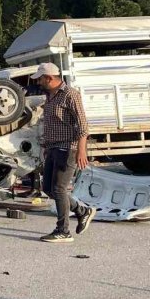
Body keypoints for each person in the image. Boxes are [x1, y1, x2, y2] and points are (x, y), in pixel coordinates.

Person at [32, 63, 97, 243]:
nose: (38, 82)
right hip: (52, 148)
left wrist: (81, 151)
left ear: (49, 78)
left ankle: (63, 231)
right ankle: (83, 211)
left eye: (40, 78)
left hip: (67, 148)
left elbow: (83, 126)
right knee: (48, 189)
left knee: (59, 189)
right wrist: (46, 147)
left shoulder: (70, 94)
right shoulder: (49, 96)